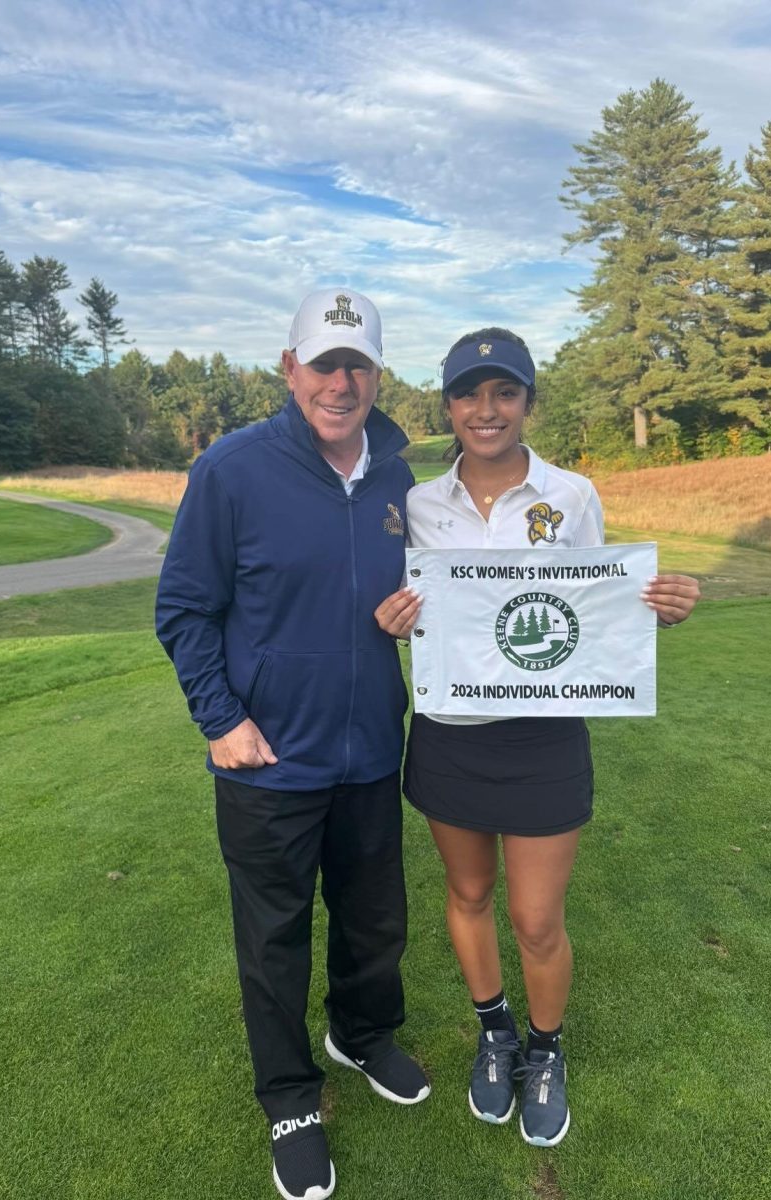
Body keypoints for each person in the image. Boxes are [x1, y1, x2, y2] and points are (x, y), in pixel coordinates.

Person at [375, 328, 700, 1148]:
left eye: (505, 393)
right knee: (470, 896)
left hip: (545, 737)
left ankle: (545, 1052)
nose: (486, 411)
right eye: (468, 394)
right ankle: (496, 1033)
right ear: (446, 404)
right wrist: (392, 622)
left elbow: (596, 605)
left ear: (528, 401)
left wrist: (658, 604)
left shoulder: (574, 493)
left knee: (536, 919)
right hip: (450, 732)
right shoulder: (417, 503)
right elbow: (411, 607)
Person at [156, 289, 429, 1200]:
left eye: (357, 364)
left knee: (374, 917)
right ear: (289, 369)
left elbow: (460, 590)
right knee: (274, 937)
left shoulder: (402, 478)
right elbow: (185, 608)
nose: (340, 382)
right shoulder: (232, 470)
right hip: (268, 758)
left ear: (379, 374)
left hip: (369, 750)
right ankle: (290, 1098)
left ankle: (361, 1032)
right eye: (323, 363)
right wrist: (220, 719)